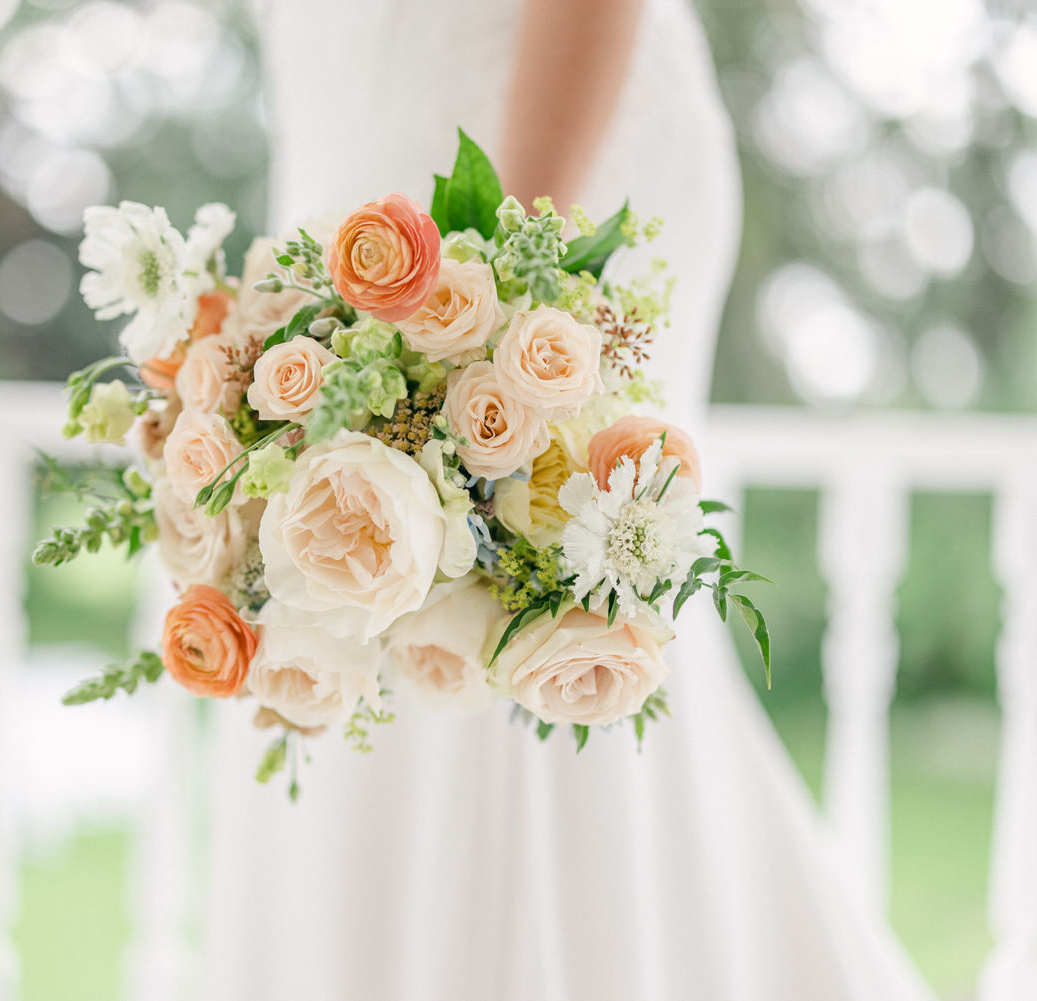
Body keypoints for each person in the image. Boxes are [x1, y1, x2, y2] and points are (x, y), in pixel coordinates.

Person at [200, 1, 938, 997]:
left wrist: (502, 294)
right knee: (337, 593)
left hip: (539, 132)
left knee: (525, 590)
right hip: (351, 152)